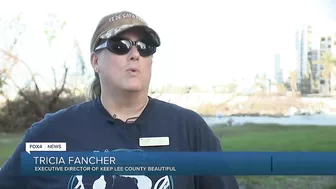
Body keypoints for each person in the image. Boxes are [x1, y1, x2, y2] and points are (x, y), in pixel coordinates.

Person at [0, 11, 239, 189]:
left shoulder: (189, 130)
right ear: (95, 62)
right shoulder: (52, 132)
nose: (135, 54)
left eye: (145, 47)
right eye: (120, 45)